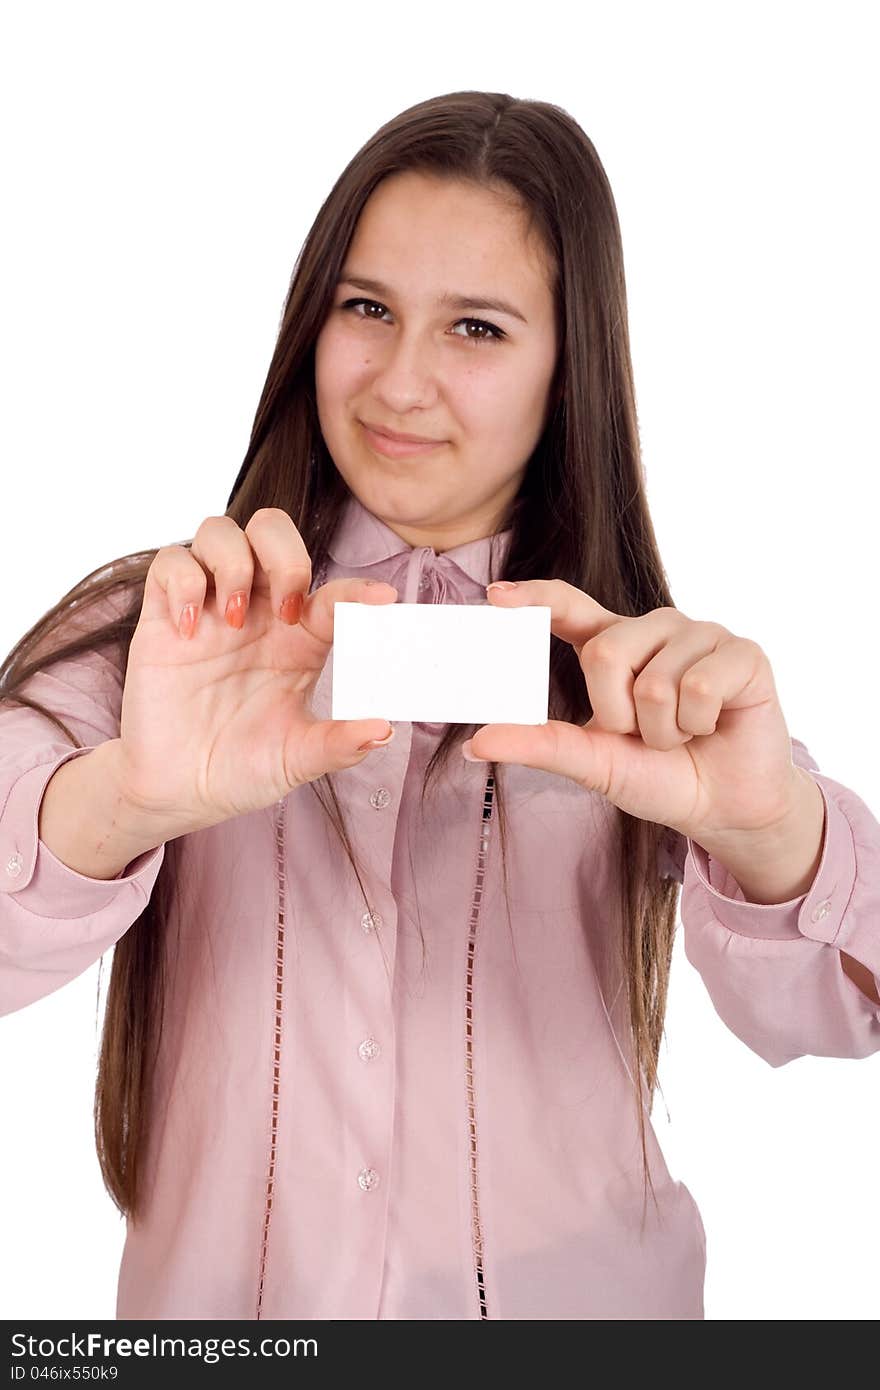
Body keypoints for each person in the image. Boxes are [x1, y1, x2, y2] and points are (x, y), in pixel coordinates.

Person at [1, 89, 878, 1323]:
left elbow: (836, 1015)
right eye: (367, 308)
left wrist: (778, 837)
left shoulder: (646, 681)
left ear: (569, 364)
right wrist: (130, 800)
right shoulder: (168, 637)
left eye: (475, 327)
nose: (400, 381)